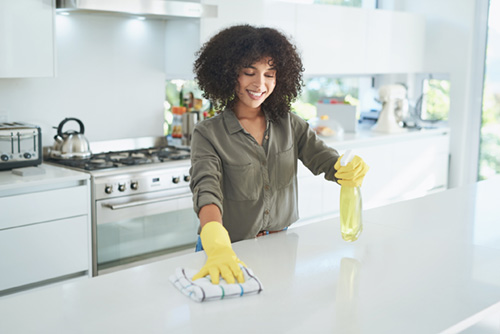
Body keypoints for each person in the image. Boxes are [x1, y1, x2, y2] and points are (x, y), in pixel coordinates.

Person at [189, 25, 369, 285]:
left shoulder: (290, 124)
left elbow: (326, 162)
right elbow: (206, 189)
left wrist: (347, 167)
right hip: (226, 251)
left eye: (269, 74)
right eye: (249, 72)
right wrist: (216, 241)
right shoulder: (209, 133)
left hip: (280, 246)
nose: (259, 84)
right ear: (228, 74)